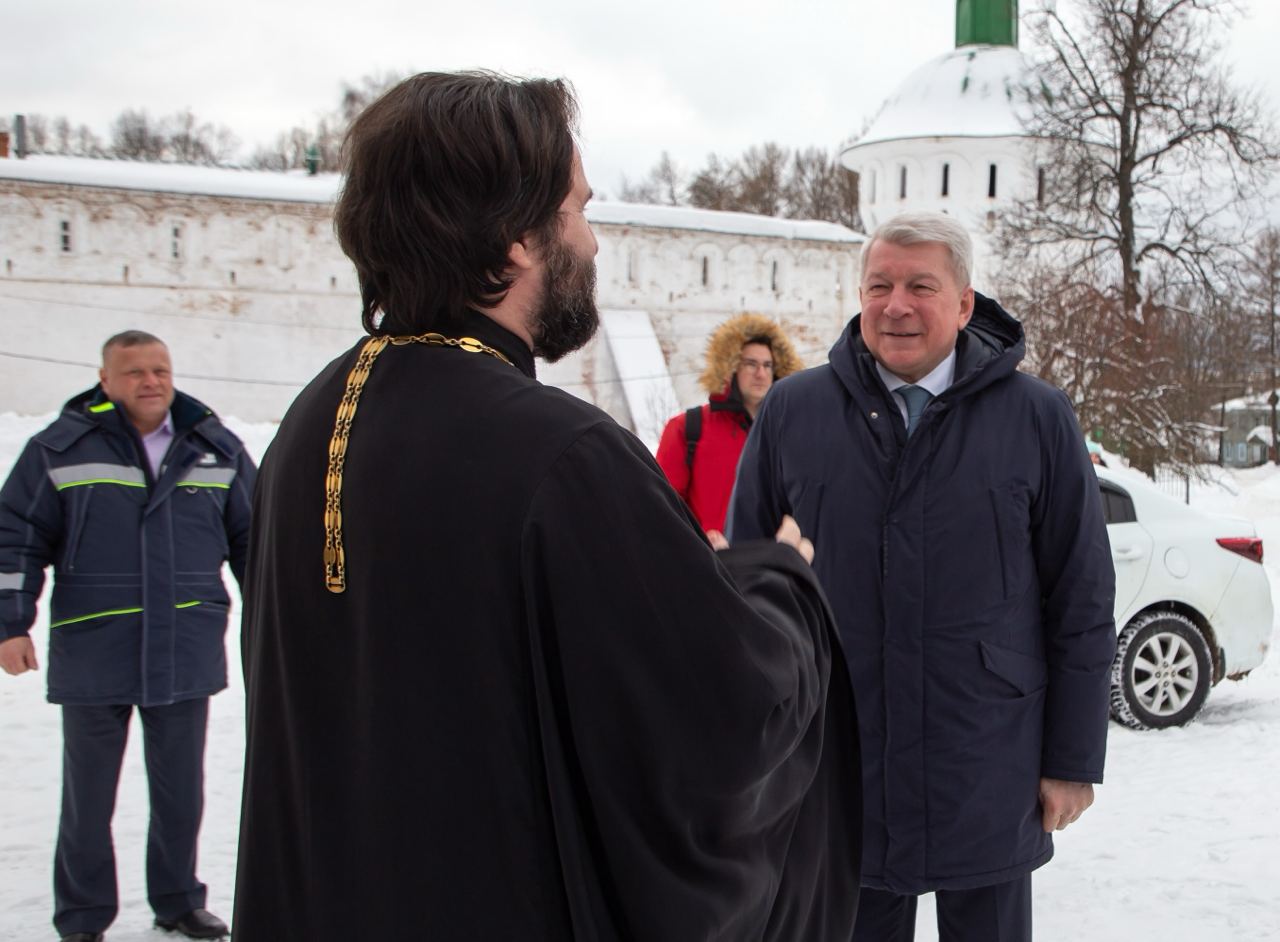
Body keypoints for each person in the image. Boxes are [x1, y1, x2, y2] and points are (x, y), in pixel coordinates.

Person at [231, 72, 862, 941]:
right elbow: (721, 717)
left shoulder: (314, 416)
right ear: (514, 238)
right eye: (577, 211)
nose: (593, 242)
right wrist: (782, 582)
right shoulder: (560, 453)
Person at [728, 212, 1116, 942]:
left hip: (989, 756)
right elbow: (747, 586)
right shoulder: (793, 411)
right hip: (842, 763)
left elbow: (1082, 595)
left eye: (919, 286)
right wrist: (754, 753)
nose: (895, 305)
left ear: (964, 303)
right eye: (879, 285)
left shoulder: (1037, 417)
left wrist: (1071, 758)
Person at [0, 331, 254, 942]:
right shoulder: (59, 450)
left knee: (182, 792)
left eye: (160, 369)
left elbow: (258, 541)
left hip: (184, 645)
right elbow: (15, 538)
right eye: (134, 371)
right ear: (105, 380)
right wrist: (11, 624)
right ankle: (83, 916)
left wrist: (279, 621)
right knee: (88, 797)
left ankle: (178, 900)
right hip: (94, 646)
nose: (151, 381)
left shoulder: (215, 449)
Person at [655, 313, 801, 537]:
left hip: (771, 565)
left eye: (768, 365)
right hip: (709, 563)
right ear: (730, 368)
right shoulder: (688, 428)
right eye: (750, 364)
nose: (761, 374)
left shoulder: (789, 434)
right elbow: (661, 508)